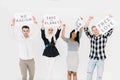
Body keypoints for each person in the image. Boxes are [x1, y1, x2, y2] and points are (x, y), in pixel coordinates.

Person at [84, 15, 113, 80]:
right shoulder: (91, 37)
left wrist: (110, 19)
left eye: (96, 29)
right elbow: (85, 29)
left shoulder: (104, 36)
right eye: (93, 30)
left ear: (98, 29)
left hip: (100, 59)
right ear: (92, 31)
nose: (95, 31)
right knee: (89, 74)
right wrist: (89, 20)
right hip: (92, 58)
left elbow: (110, 30)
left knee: (99, 76)